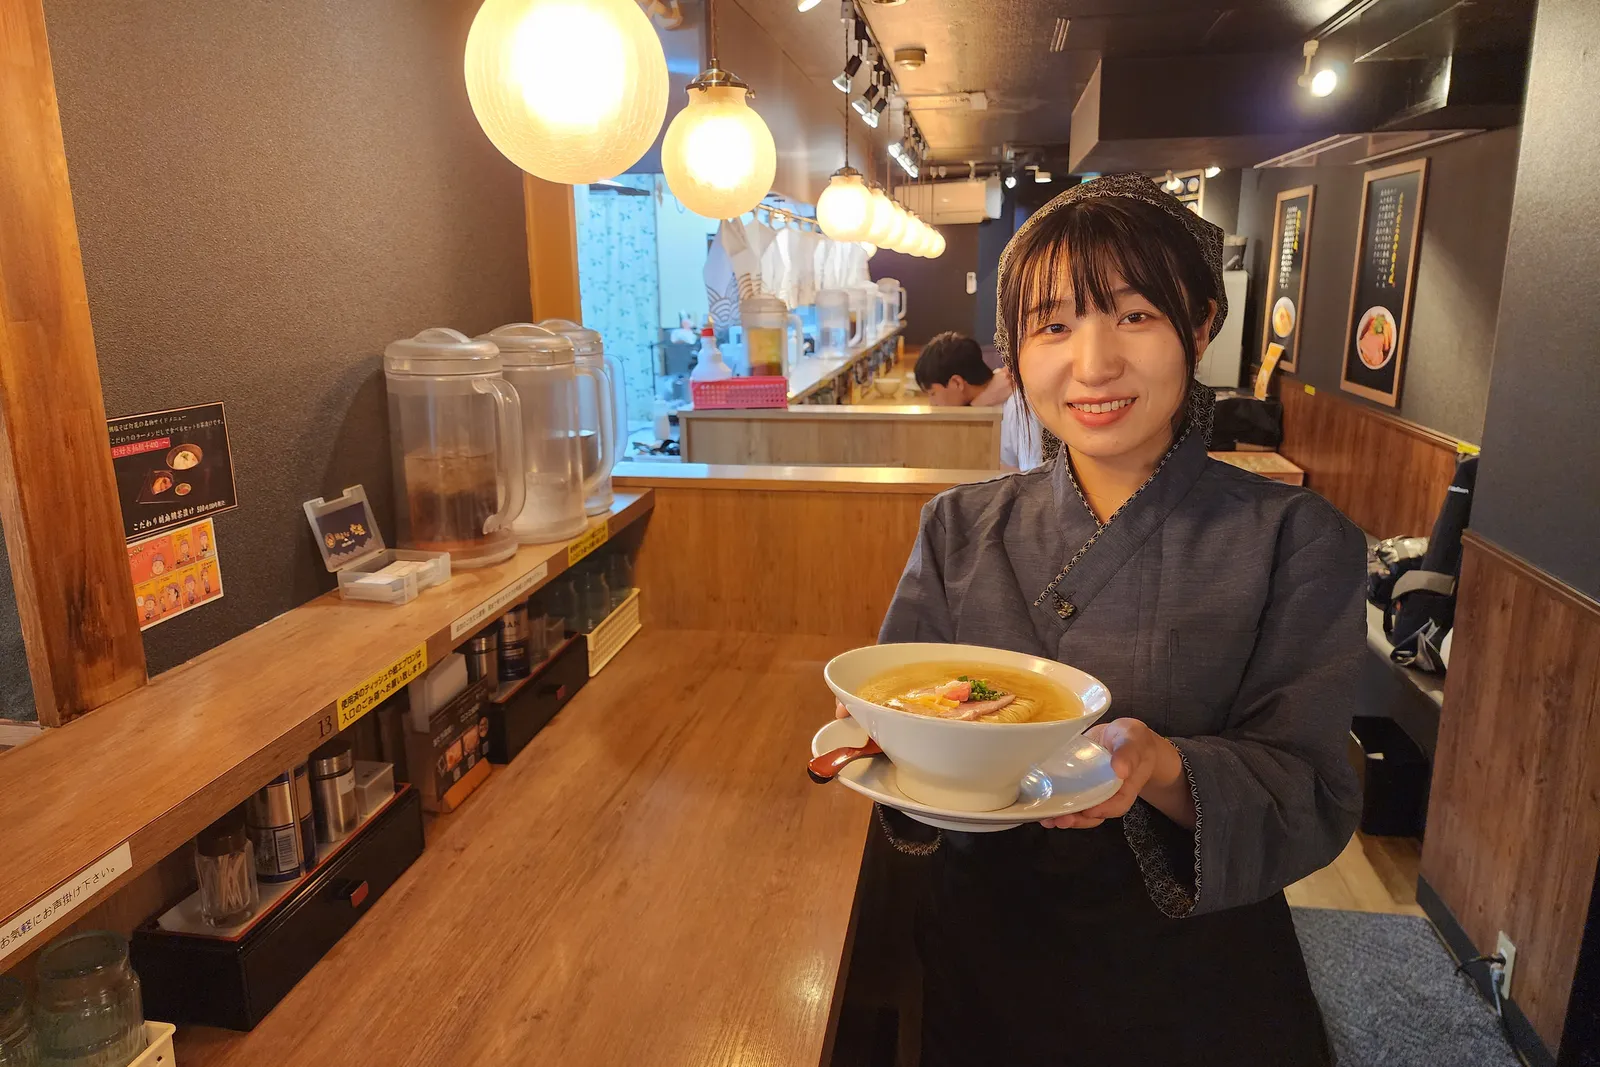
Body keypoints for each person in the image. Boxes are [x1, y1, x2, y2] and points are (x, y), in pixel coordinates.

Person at [869, 174, 1365, 1065]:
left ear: (1201, 324)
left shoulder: (1297, 538)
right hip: (988, 951)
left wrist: (1162, 765)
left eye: (1135, 316)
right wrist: (878, 736)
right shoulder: (958, 528)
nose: (1092, 365)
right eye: (1053, 326)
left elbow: (1314, 786)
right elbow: (897, 738)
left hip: (1195, 976)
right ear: (1015, 349)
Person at [913, 331, 1042, 471]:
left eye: (932, 394)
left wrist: (979, 465)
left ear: (957, 383)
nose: (932, 403)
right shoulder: (982, 398)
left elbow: (1035, 477)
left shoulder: (1019, 406)